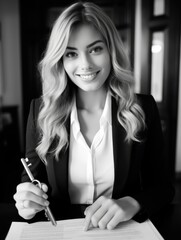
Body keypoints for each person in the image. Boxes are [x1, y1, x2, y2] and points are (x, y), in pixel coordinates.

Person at [13, 1, 174, 231]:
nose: (85, 64)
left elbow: (163, 188)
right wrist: (27, 203)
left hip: (122, 231)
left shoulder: (142, 108)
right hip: (61, 233)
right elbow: (30, 181)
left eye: (95, 49)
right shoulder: (41, 111)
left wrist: (132, 203)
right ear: (61, 59)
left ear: (111, 50)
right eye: (71, 53)